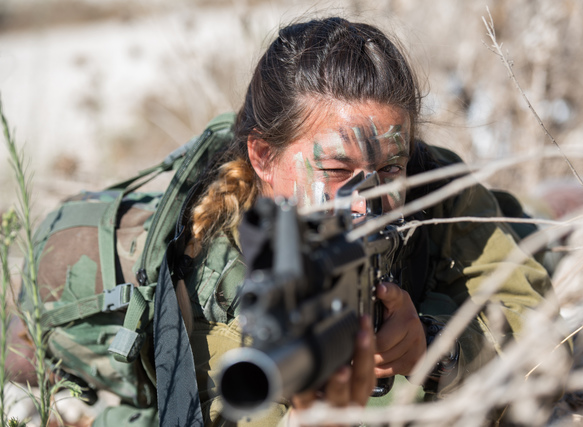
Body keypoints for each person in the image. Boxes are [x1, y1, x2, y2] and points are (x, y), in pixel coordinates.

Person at [178, 16, 555, 426]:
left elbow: (542, 336)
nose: (366, 199)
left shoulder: (434, 186)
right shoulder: (209, 285)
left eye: (391, 169)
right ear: (264, 156)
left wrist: (438, 350)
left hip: (527, 228)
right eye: (337, 171)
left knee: (549, 217)